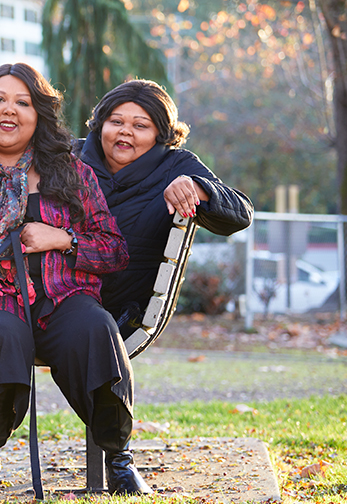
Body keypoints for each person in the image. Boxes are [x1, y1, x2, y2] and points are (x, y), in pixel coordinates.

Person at [0, 63, 152, 495]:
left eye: (23, 102)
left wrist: (61, 238)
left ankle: (118, 457)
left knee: (95, 328)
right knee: (1, 333)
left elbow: (114, 251)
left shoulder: (72, 174)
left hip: (62, 299)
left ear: (38, 114)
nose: (10, 111)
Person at [76, 79, 253, 331]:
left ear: (160, 133)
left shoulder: (175, 166)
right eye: (116, 122)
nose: (125, 131)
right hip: (52, 295)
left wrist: (197, 187)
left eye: (140, 125)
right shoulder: (69, 157)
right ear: (101, 123)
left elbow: (242, 212)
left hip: (118, 310)